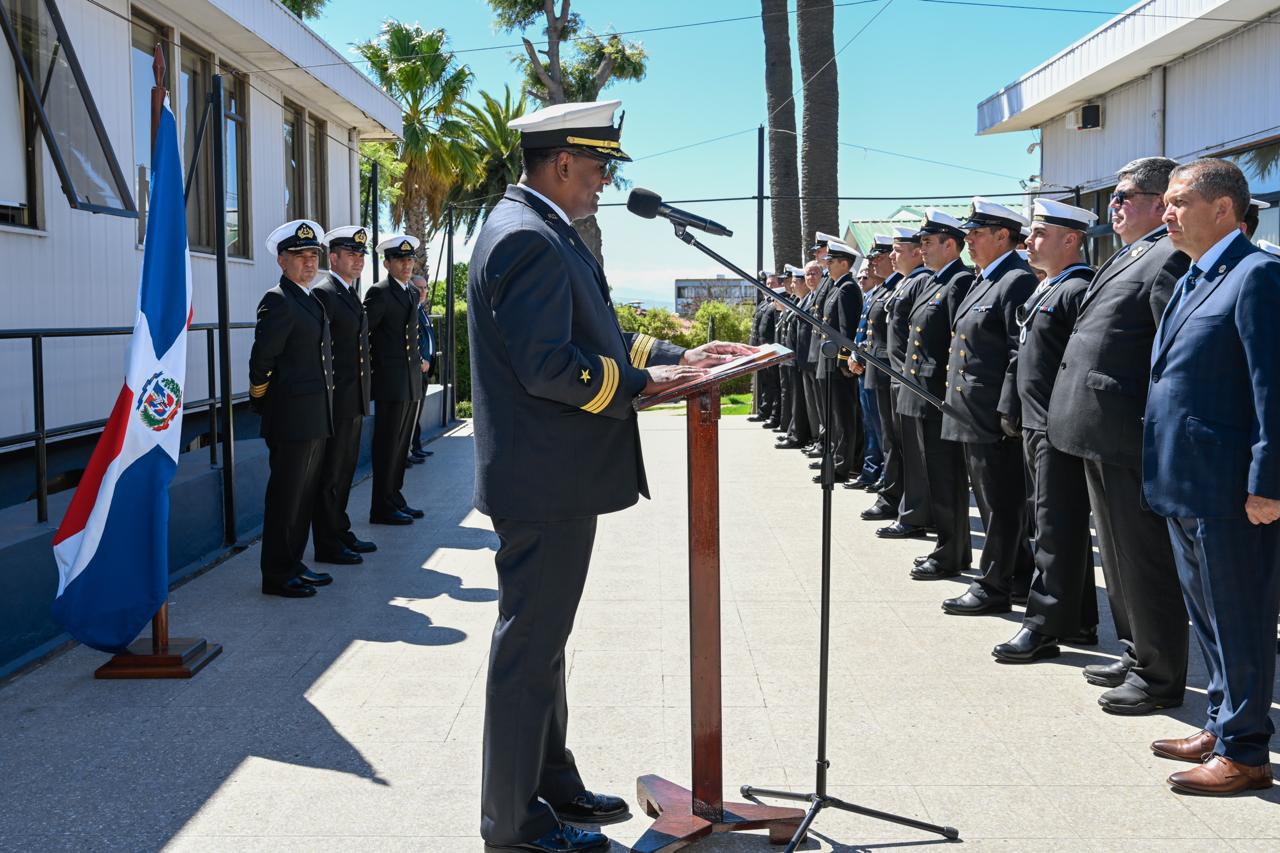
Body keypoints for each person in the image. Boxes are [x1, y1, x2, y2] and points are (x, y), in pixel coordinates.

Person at [468, 99, 751, 853]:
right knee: (529, 646)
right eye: (596, 169)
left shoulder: (541, 229)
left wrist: (670, 361)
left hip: (549, 475)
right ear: (562, 163)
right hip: (545, 479)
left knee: (544, 643)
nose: (602, 184)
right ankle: (515, 827)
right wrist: (637, 386)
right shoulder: (528, 237)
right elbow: (549, 365)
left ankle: (550, 783)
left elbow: (591, 331)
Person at [1144, 158, 1280, 795]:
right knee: (1210, 616)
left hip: (1232, 490)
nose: (1165, 213)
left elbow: (1272, 390)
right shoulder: (1196, 275)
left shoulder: (1257, 276)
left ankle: (1247, 751)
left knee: (1241, 618)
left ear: (1222, 208)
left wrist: (1268, 481)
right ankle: (1223, 720)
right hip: (1188, 481)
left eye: (1177, 202)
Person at [1048, 156, 1190, 715]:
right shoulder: (1131, 252)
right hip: (1098, 429)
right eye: (1113, 196)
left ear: (1160, 203)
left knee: (1142, 556)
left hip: (1128, 430)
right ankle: (1135, 651)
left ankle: (1160, 675)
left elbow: (1167, 355)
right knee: (1116, 553)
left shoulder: (1169, 256)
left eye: (1125, 196)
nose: (1114, 205)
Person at [993, 199, 1100, 662]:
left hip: (1058, 427)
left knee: (1055, 529)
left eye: (1039, 233)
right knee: (1053, 524)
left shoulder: (1079, 288)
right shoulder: (1046, 287)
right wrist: (1010, 407)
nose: (1029, 241)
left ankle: (1042, 626)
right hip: (1036, 423)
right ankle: (1077, 620)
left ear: (1070, 239)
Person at [937, 199, 1037, 613]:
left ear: (1002, 236)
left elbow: (1019, 352)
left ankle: (994, 585)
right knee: (992, 497)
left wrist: (1008, 408)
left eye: (976, 234)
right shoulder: (984, 279)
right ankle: (1017, 578)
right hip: (969, 408)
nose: (969, 241)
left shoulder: (1015, 279)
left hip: (992, 413)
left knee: (1001, 502)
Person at [247, 219, 334, 598]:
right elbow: (261, 358)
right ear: (282, 261)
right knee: (285, 497)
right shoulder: (278, 299)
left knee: (303, 495)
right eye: (300, 256)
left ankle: (294, 561)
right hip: (290, 415)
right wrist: (260, 397)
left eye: (313, 255)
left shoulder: (308, 298)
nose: (309, 263)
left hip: (314, 413)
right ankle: (277, 574)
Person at [904, 209, 973, 582]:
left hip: (939, 395)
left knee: (947, 478)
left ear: (951, 244)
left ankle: (952, 553)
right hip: (923, 391)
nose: (922, 249)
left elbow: (956, 344)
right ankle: (947, 547)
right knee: (935, 474)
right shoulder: (934, 281)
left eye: (928, 243)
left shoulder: (958, 281)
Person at [310, 225, 376, 566]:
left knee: (345, 470)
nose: (358, 260)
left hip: (353, 398)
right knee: (331, 474)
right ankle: (327, 543)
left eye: (361, 255)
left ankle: (339, 529)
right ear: (332, 258)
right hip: (336, 402)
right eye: (351, 254)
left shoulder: (349, 292)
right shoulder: (325, 293)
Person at [861, 227, 933, 538]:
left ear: (916, 253)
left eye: (897, 250)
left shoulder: (920, 282)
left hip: (906, 377)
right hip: (893, 374)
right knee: (893, 441)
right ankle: (898, 499)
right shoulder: (905, 283)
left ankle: (910, 509)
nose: (890, 256)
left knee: (908, 449)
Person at [364, 235, 426, 525]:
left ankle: (395, 497)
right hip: (390, 382)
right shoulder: (379, 292)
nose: (406, 264)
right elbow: (363, 338)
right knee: (387, 446)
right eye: (400, 260)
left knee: (402, 447)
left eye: (409, 259)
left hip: (411, 381)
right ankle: (381, 506)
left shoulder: (412, 293)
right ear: (387, 263)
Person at [810, 239, 863, 483]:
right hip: (827, 360)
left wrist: (843, 361)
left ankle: (843, 466)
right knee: (832, 415)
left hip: (837, 365)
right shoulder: (836, 286)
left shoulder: (848, 288)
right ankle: (834, 461)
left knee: (842, 417)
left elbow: (846, 329)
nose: (827, 266)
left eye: (831, 262)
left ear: (845, 263)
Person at [847, 236, 892, 489]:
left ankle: (881, 473)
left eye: (877, 259)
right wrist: (855, 356)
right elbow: (862, 331)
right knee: (871, 424)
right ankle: (871, 470)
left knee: (882, 428)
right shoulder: (873, 296)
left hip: (878, 367)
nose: (865, 275)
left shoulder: (885, 292)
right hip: (866, 366)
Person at [408, 275, 437, 464]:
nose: (423, 292)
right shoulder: (411, 311)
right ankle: (409, 451)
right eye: (418, 288)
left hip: (425, 371)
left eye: (425, 288)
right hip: (416, 370)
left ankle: (416, 447)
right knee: (411, 414)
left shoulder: (421, 310)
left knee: (417, 413)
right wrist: (421, 361)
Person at [748, 273, 781, 426]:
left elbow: (776, 330)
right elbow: (755, 330)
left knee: (773, 384)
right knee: (764, 383)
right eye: (767, 284)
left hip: (771, 351)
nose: (769, 287)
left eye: (772, 284)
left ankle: (773, 416)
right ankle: (763, 412)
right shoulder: (763, 303)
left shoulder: (777, 304)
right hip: (760, 351)